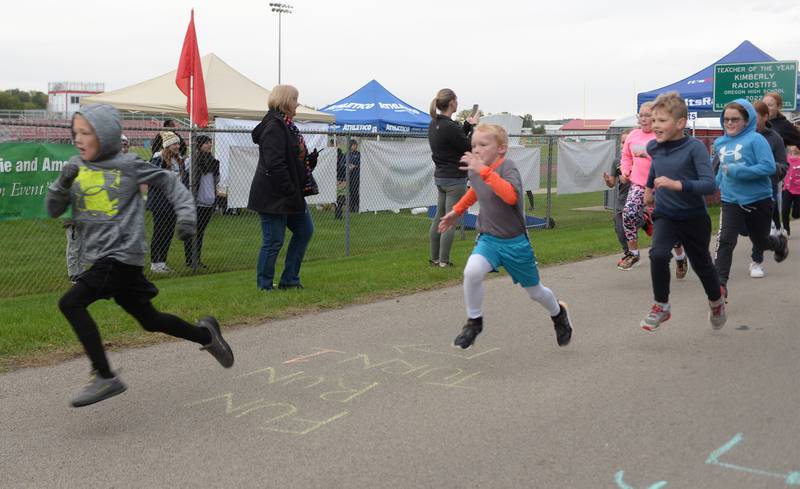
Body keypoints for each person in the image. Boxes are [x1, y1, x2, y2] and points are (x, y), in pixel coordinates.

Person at [45, 104, 233, 408]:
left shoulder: (128, 165)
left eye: (86, 133)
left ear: (104, 136)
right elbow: (54, 209)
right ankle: (206, 335)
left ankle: (104, 375)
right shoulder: (77, 168)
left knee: (71, 301)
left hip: (120, 255)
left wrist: (186, 217)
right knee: (150, 320)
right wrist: (63, 182)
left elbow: (170, 183)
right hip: (106, 261)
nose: (78, 139)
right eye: (75, 133)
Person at [438, 124, 573, 349]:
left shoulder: (507, 167)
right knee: (471, 272)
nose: (477, 149)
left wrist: (483, 171)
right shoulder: (477, 170)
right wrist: (457, 211)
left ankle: (558, 313)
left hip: (515, 242)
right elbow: (475, 191)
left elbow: (510, 196)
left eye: (483, 144)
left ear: (501, 148)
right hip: (489, 239)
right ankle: (474, 322)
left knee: (535, 292)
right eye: (474, 145)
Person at [639, 92, 726, 332]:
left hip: (693, 217)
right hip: (666, 214)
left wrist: (677, 184)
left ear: (680, 123)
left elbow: (709, 184)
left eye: (661, 120)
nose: (655, 125)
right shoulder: (653, 146)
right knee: (657, 255)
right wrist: (648, 188)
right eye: (653, 120)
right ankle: (662, 305)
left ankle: (716, 301)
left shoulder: (694, 148)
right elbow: (655, 168)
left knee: (702, 265)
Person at [713, 99, 789, 301]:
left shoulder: (757, 140)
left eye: (735, 119)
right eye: (726, 119)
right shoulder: (720, 143)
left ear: (746, 121)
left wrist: (740, 171)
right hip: (731, 200)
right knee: (726, 241)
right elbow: (722, 169)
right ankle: (719, 287)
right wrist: (712, 185)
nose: (729, 123)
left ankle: (778, 244)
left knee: (760, 241)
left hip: (759, 199)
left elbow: (768, 167)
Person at [248, 84, 315, 291]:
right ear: (285, 101)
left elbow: (289, 158)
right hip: (274, 194)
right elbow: (275, 163)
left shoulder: (287, 125)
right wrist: (289, 188)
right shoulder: (274, 126)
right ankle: (265, 286)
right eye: (295, 99)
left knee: (304, 230)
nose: (298, 104)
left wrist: (308, 162)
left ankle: (289, 280)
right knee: (274, 240)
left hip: (289, 192)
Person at [428, 88, 479, 267]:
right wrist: (472, 127)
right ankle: (444, 261)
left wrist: (466, 124)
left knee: (439, 218)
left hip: (441, 177)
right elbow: (467, 146)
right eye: (456, 101)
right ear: (451, 103)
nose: (457, 103)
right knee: (450, 220)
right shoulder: (449, 126)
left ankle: (435, 258)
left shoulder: (434, 124)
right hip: (453, 179)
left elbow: (454, 139)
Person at [744, 101, 788, 278]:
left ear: (765, 117)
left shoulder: (775, 138)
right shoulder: (739, 136)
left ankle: (757, 262)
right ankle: (777, 243)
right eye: (748, 117)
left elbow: (783, 166)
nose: (750, 121)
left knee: (757, 233)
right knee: (743, 230)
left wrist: (767, 167)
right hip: (739, 191)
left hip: (764, 191)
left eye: (755, 117)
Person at [618, 102, 657, 270]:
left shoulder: (661, 136)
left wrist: (647, 154)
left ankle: (680, 255)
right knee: (628, 214)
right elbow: (626, 156)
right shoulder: (633, 135)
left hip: (659, 186)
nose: (644, 119)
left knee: (664, 223)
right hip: (639, 184)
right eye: (641, 115)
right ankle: (633, 253)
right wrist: (626, 171)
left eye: (647, 115)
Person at [147, 131, 184, 273]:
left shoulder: (177, 159)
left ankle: (162, 262)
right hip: (161, 202)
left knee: (168, 232)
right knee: (160, 232)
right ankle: (155, 263)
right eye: (174, 143)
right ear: (167, 145)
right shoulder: (158, 158)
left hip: (173, 202)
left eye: (178, 143)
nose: (177, 146)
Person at [183, 135, 219, 269]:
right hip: (196, 202)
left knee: (201, 232)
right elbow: (185, 174)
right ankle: (190, 260)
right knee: (192, 231)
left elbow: (216, 179)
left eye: (210, 142)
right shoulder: (192, 160)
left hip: (208, 201)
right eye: (206, 143)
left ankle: (197, 259)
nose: (209, 145)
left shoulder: (214, 161)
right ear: (198, 145)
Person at [782, 145, 800, 236]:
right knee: (785, 210)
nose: (794, 147)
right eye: (792, 145)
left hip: (799, 190)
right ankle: (786, 230)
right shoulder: (786, 158)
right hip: (787, 188)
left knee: (796, 214)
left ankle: (796, 214)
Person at [346, 139, 361, 213]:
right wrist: (347, 166)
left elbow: (360, 163)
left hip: (356, 176)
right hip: (349, 176)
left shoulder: (359, 154)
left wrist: (355, 166)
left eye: (356, 145)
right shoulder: (347, 154)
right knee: (350, 191)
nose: (355, 146)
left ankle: (357, 207)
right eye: (354, 145)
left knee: (356, 191)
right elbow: (343, 163)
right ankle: (351, 207)